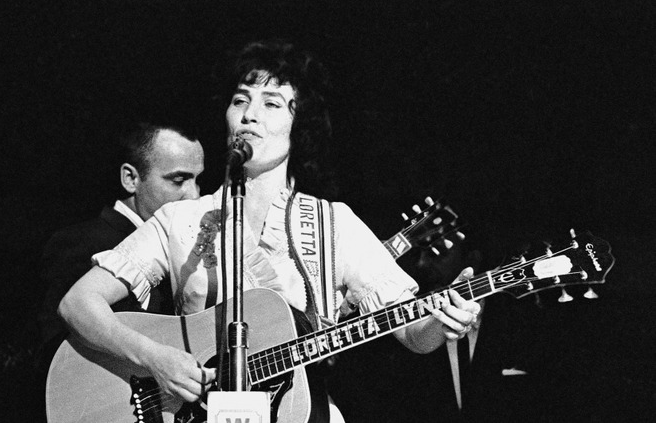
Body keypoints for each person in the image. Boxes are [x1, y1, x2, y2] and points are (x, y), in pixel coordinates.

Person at [57, 39, 482, 422]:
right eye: (240, 100)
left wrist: (442, 323)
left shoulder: (335, 223)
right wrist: (155, 358)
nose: (249, 115)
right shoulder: (181, 220)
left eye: (272, 104)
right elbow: (79, 303)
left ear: (299, 128)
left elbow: (411, 332)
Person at [37, 122, 205, 361]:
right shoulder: (79, 243)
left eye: (197, 180)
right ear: (130, 178)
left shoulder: (186, 246)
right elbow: (55, 357)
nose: (194, 195)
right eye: (178, 180)